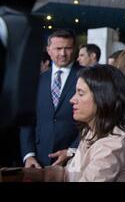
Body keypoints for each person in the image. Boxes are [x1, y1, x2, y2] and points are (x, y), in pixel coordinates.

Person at [20, 65, 125, 182]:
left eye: (80, 94)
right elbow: (70, 174)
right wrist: (30, 174)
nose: (72, 100)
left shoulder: (112, 146)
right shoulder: (91, 131)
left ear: (103, 98)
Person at [20, 29, 82, 168]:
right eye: (58, 48)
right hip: (39, 159)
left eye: (68, 48)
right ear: (48, 50)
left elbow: (95, 120)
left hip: (74, 159)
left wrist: (72, 150)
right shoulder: (36, 81)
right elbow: (27, 121)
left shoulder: (87, 77)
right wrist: (29, 155)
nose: (63, 53)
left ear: (75, 49)